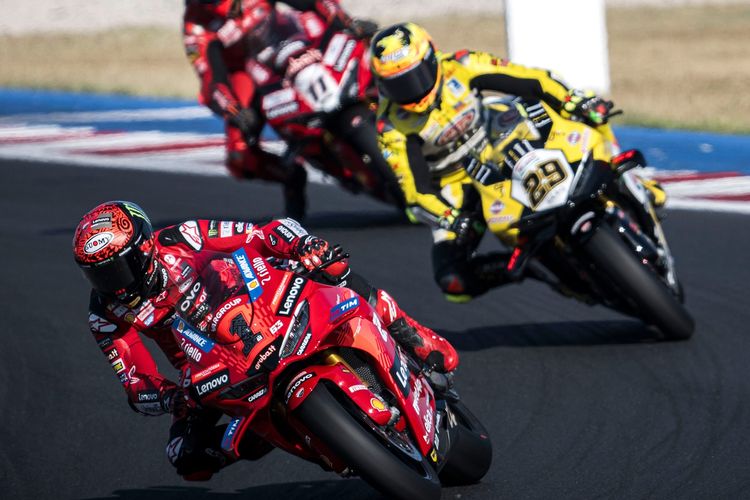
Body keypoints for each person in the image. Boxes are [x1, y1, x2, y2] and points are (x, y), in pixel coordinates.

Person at [73, 200, 456, 480]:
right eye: (98, 275)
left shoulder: (182, 237)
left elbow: (260, 233)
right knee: (185, 458)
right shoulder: (104, 314)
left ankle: (410, 336)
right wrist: (171, 398)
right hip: (210, 370)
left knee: (334, 268)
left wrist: (303, 246)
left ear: (144, 248)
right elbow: (135, 382)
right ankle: (289, 432)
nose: (112, 285)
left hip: (262, 304)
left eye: (117, 269)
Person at [369, 22, 667, 302]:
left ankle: (627, 178)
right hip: (455, 182)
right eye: (398, 84)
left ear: (432, 58)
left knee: (586, 111)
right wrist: (450, 217)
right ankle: (536, 266)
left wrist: (571, 100)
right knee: (453, 282)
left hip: (499, 134)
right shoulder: (390, 126)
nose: (411, 90)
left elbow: (532, 79)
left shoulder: (461, 65)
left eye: (415, 77)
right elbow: (415, 192)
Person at [183, 0, 378, 220]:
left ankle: (388, 102)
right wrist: (233, 109)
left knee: (363, 46)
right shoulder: (195, 28)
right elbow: (211, 80)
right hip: (246, 73)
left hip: (289, 42)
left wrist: (347, 23)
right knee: (240, 154)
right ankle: (291, 175)